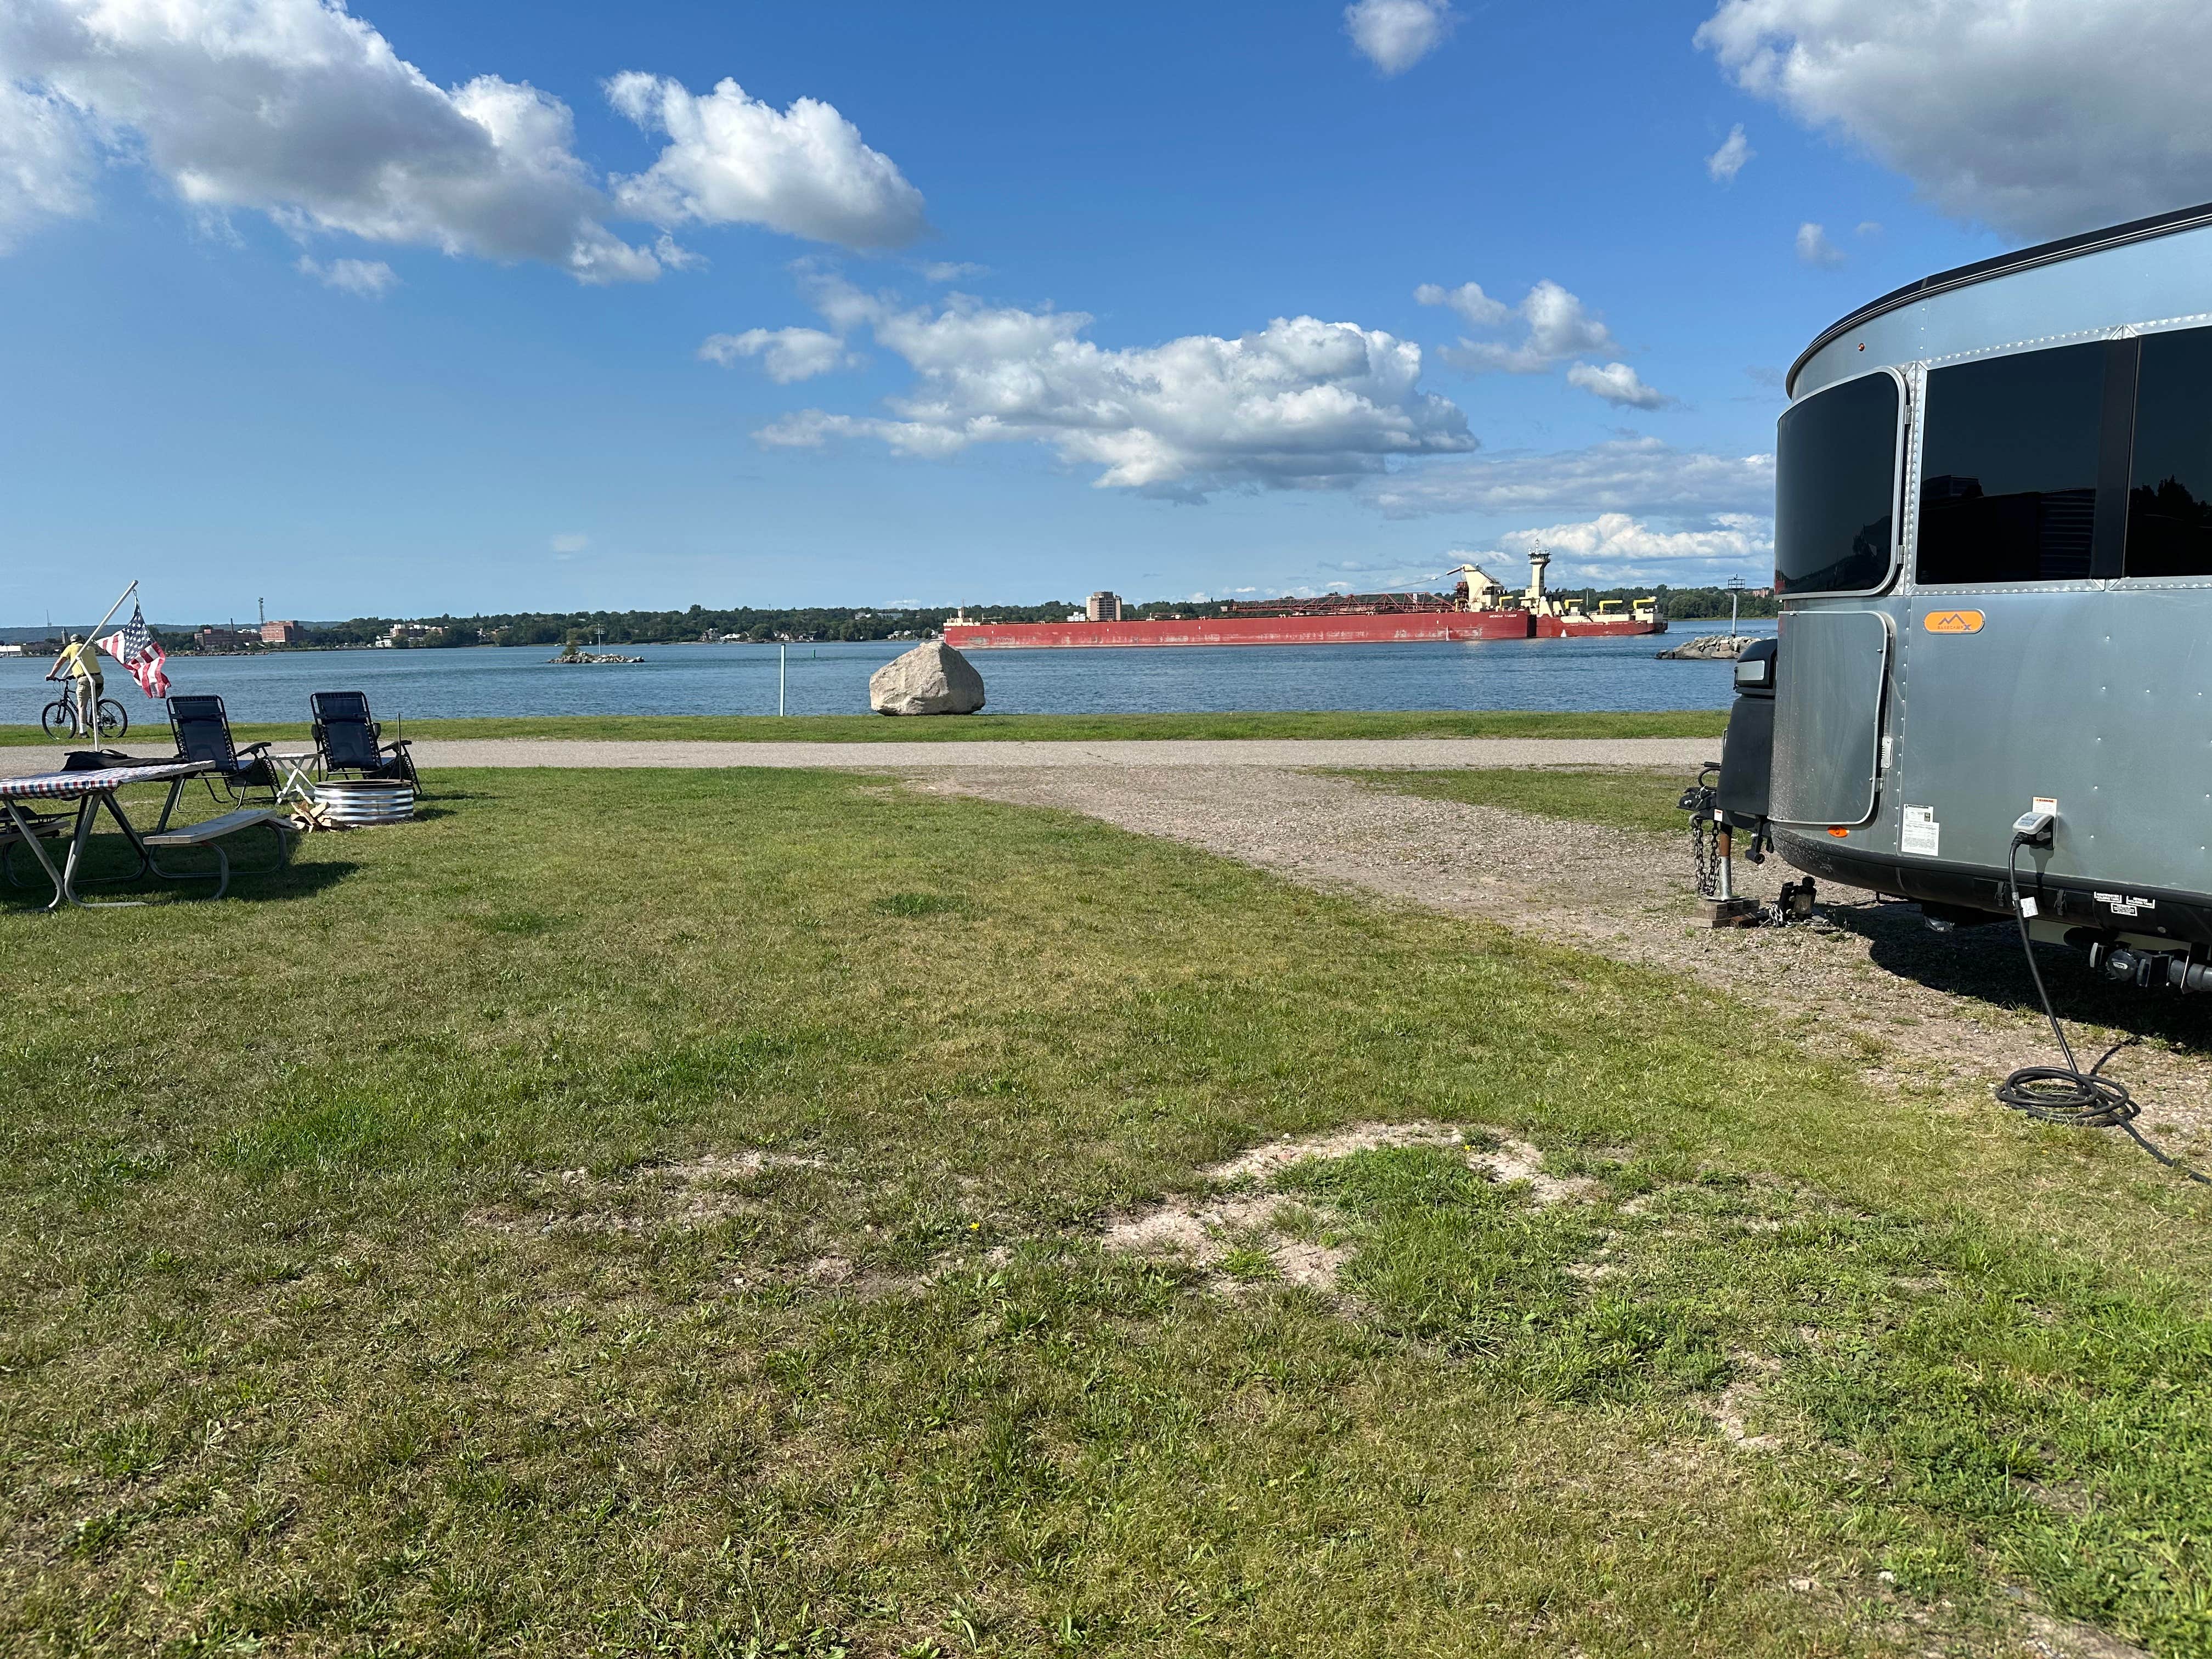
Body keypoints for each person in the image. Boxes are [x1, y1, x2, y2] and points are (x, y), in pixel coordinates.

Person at [49, 633, 104, 737]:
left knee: (82, 706)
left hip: (85, 679)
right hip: (99, 678)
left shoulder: (71, 648)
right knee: (95, 702)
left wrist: (52, 675)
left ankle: (83, 732)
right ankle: (99, 722)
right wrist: (74, 675)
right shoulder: (89, 648)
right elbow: (85, 664)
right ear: (82, 640)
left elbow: (60, 662)